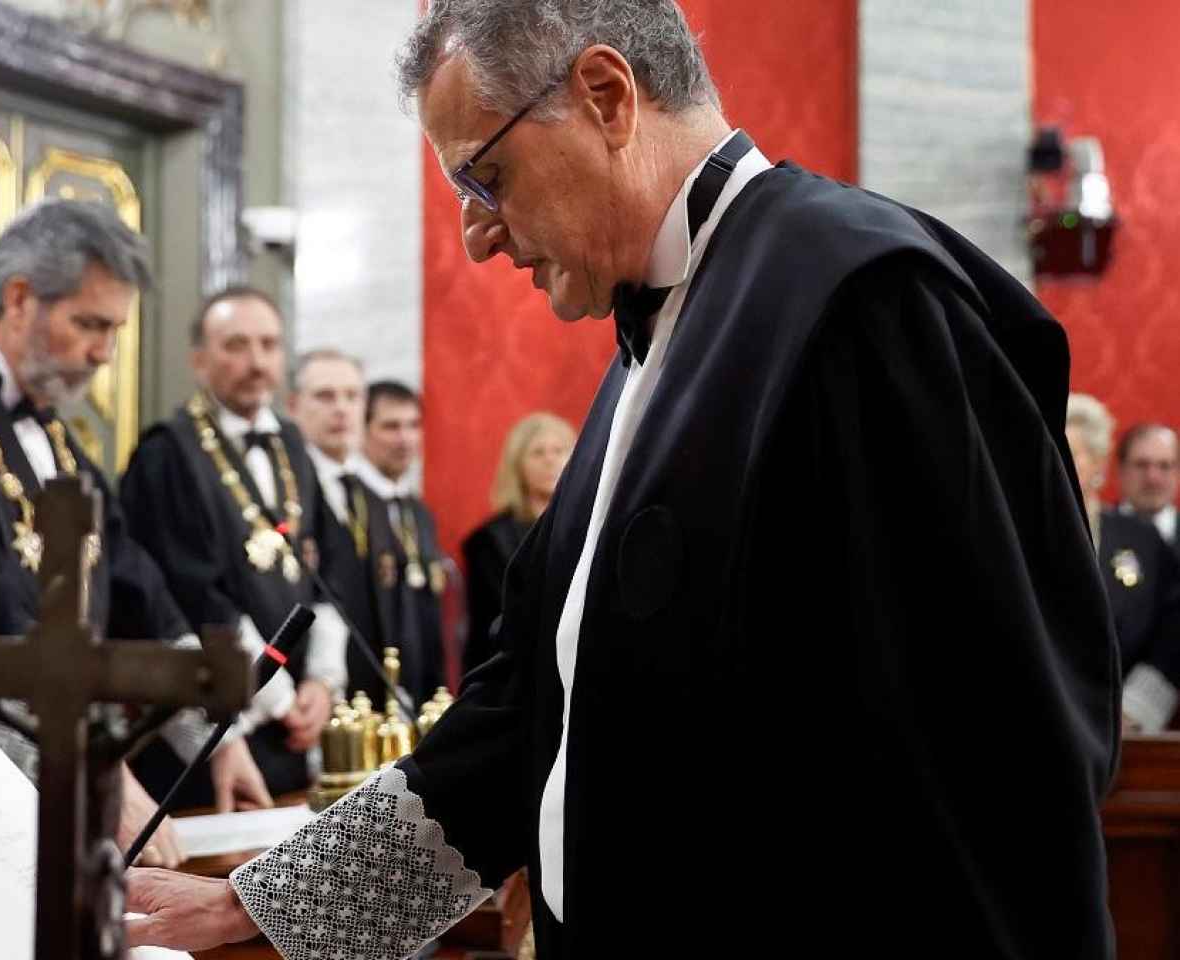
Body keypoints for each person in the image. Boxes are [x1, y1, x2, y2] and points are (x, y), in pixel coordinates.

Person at [125, 3, 1120, 957]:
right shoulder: (652, 350)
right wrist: (267, 909)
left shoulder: (859, 302)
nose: (476, 233)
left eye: (486, 177)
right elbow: (523, 718)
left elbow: (998, 776)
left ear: (606, 96)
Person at [0, 200, 271, 858]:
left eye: (114, 330)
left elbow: (139, 591)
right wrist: (95, 775)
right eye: (88, 324)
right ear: (19, 299)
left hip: (56, 780)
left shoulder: (65, 446)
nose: (103, 352)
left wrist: (219, 736)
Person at [120, 288, 350, 805]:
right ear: (199, 360)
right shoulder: (167, 453)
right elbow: (189, 593)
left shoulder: (293, 445)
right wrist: (279, 695)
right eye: (236, 346)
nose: (256, 361)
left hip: (295, 729)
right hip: (217, 724)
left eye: (269, 345)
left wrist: (321, 684)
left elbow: (329, 571)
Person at [287, 349, 403, 703]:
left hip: (370, 696)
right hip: (306, 693)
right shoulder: (287, 489)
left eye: (352, 396)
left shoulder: (371, 495)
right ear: (293, 405)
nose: (341, 408)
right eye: (325, 396)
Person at [1068, 395, 1180, 732]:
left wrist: (1133, 712)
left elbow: (1171, 633)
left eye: (1069, 452)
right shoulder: (1013, 530)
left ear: (1099, 464)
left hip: (1124, 727)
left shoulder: (1141, 539)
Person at [353, 381, 448, 703]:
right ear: (363, 429)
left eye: (413, 425)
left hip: (420, 688)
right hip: (366, 692)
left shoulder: (419, 512)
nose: (405, 438)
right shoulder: (349, 504)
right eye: (391, 426)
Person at [461, 412, 575, 676]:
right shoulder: (488, 541)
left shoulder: (588, 527)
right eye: (537, 452)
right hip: (511, 671)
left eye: (559, 450)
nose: (550, 459)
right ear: (517, 466)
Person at [1115, 423, 1178, 544]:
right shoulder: (1094, 531)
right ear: (1121, 470)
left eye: (1165, 466)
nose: (1153, 478)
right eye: (1141, 465)